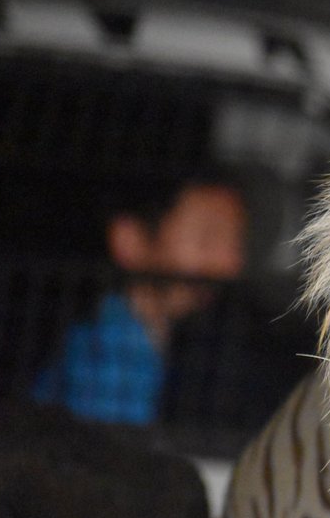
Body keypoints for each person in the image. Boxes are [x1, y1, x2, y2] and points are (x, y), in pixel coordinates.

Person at [33, 172, 247, 424]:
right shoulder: (107, 355)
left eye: (238, 243)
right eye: (206, 239)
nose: (231, 264)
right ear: (130, 241)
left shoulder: (143, 342)